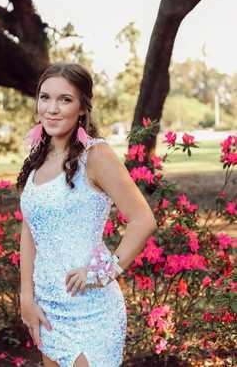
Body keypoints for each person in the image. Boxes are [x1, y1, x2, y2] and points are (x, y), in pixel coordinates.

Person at [16, 63, 157, 367]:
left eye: (65, 100)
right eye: (45, 98)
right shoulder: (37, 157)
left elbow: (143, 220)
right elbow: (30, 230)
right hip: (49, 309)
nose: (52, 109)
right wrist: (27, 298)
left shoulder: (96, 155)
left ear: (82, 108)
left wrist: (103, 272)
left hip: (91, 310)